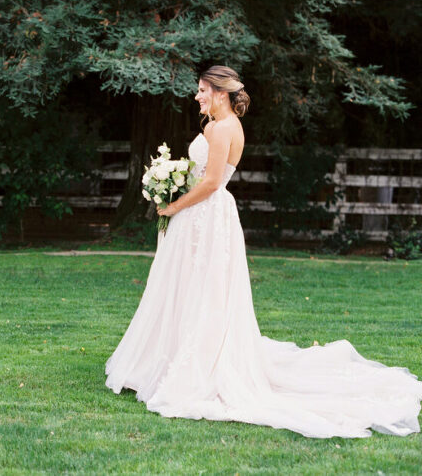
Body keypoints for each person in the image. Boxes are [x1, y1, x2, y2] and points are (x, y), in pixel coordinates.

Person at [105, 65, 422, 438]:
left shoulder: (220, 128)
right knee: (193, 288)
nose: (197, 96)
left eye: (203, 90)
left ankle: (194, 364)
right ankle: (175, 353)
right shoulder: (226, 125)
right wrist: (171, 182)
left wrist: (173, 206)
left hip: (205, 216)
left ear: (220, 93)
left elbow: (209, 183)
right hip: (204, 217)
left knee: (202, 289)